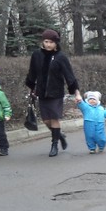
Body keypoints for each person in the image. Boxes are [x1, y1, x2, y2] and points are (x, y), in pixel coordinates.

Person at [25, 29, 81, 157]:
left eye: (51, 42)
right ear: (42, 42)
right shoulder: (37, 55)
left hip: (56, 92)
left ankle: (54, 145)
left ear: (56, 43)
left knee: (54, 118)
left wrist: (76, 93)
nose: (48, 44)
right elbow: (32, 73)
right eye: (46, 41)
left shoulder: (61, 57)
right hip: (42, 92)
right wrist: (31, 88)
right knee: (46, 121)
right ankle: (59, 134)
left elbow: (69, 76)